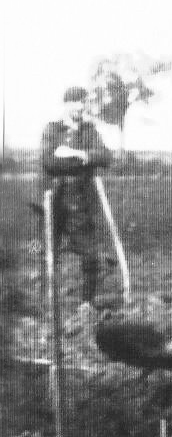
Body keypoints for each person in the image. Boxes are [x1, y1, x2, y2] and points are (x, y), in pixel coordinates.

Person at [40, 86, 112, 305]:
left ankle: (86, 303)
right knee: (47, 251)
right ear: (67, 104)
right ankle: (47, 301)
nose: (81, 106)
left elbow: (106, 156)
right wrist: (84, 160)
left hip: (82, 200)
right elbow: (49, 162)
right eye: (77, 102)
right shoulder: (53, 129)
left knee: (90, 255)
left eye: (84, 102)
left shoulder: (89, 130)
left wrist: (76, 153)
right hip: (55, 198)